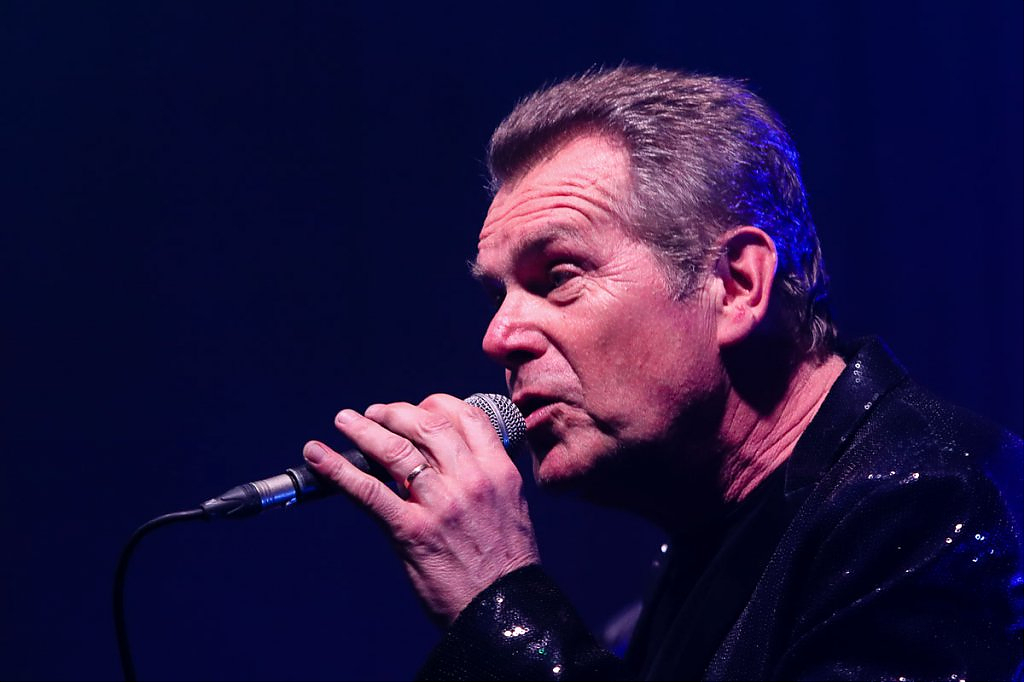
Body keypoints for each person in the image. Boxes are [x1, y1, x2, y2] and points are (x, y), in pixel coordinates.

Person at [302, 66, 1023, 681]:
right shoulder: (713, 543)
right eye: (498, 297)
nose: (498, 338)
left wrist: (500, 602)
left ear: (736, 286)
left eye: (558, 276)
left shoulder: (929, 505)